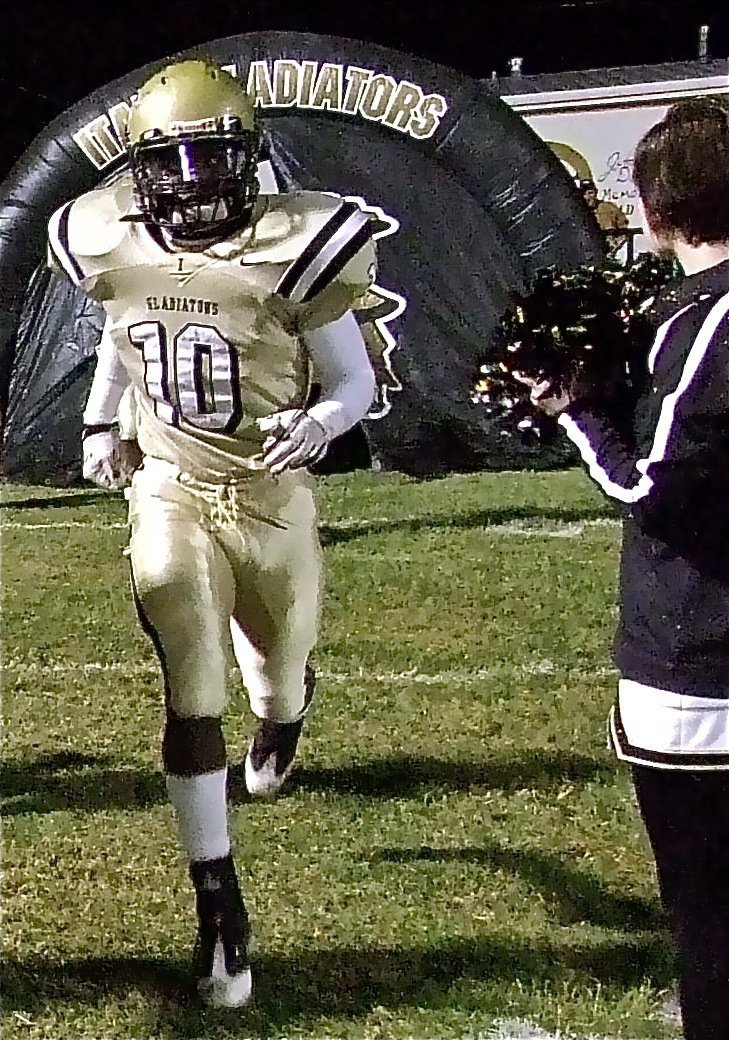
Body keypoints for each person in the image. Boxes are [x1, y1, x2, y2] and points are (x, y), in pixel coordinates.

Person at [48, 58, 377, 1009]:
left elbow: (349, 379)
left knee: (276, 671)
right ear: (141, 169)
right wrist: (101, 422)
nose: (190, 183)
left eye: (210, 159)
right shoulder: (107, 236)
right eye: (172, 162)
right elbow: (122, 332)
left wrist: (322, 420)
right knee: (187, 664)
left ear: (248, 159)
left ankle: (287, 711)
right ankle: (217, 900)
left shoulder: (295, 243)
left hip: (270, 492)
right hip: (171, 485)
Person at [526, 100, 729, 1039]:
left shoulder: (707, 328)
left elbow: (652, 483)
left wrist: (575, 407)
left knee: (707, 919)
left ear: (658, 214)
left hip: (699, 666)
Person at [579, 177, 629, 254]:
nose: (587, 197)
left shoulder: (608, 208)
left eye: (590, 193)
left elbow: (624, 230)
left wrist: (614, 246)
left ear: (596, 193)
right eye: (584, 194)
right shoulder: (578, 212)